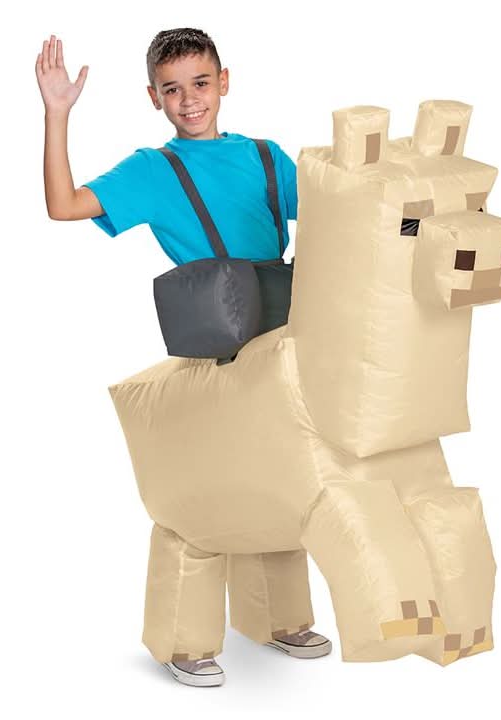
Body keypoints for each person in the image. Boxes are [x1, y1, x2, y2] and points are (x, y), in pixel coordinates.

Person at [35, 27, 331, 688]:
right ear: (154, 97)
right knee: (205, 497)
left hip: (279, 337)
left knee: (282, 478)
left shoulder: (266, 156)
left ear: (224, 82)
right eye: (171, 90)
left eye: (200, 83)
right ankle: (181, 637)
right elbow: (63, 205)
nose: (189, 100)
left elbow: (335, 216)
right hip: (214, 347)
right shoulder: (151, 169)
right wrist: (57, 115)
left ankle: (276, 617)